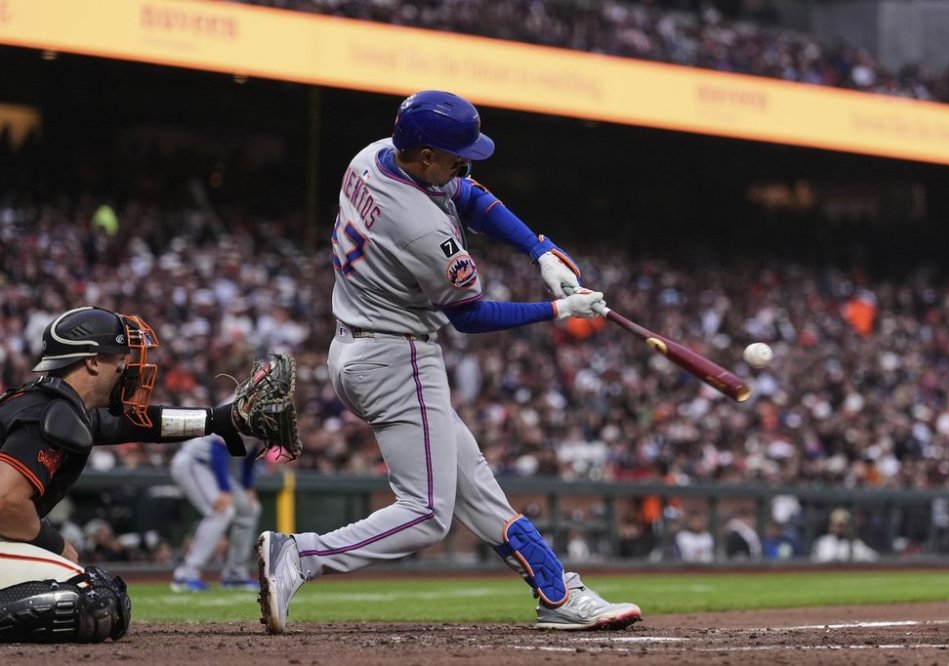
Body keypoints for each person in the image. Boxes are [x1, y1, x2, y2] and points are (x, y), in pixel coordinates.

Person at [257, 90, 640, 633]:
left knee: (476, 487)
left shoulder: (372, 156)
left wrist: (540, 251)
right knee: (426, 515)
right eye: (455, 155)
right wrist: (560, 308)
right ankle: (301, 555)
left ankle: (558, 594)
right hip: (398, 356)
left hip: (358, 346)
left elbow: (471, 197)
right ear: (427, 155)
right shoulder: (421, 228)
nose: (466, 163)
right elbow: (470, 316)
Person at [0, 306, 258, 643]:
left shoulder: (53, 403)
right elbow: (6, 501)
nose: (127, 366)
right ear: (92, 361)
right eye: (120, 356)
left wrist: (217, 420)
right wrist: (58, 546)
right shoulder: (51, 413)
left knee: (94, 592)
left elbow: (142, 423)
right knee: (93, 599)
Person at [170, 434, 262, 592]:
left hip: (218, 469)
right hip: (195, 462)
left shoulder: (270, 416)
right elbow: (217, 449)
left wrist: (247, 485)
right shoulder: (238, 410)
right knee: (222, 512)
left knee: (250, 509)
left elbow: (252, 452)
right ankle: (186, 575)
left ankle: (235, 575)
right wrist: (225, 490)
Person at [810, 508, 879, 562]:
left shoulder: (855, 543)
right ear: (830, 526)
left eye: (842, 526)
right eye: (836, 525)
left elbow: (874, 558)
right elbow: (814, 561)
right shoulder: (823, 542)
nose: (839, 529)